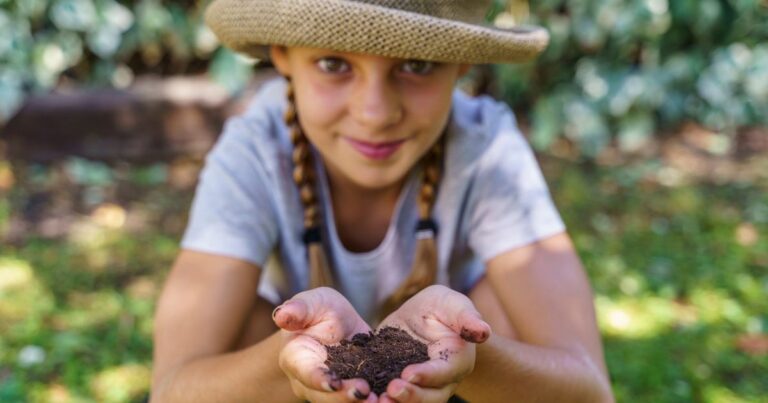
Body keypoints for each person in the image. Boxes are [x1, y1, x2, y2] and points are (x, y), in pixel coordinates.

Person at [150, 1, 614, 402]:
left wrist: (469, 355)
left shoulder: (485, 147)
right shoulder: (256, 149)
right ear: (283, 56)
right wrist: (288, 357)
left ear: (462, 65)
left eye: (417, 64)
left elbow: (590, 390)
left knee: (498, 306)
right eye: (334, 64)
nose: (374, 113)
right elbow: (171, 389)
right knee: (250, 318)